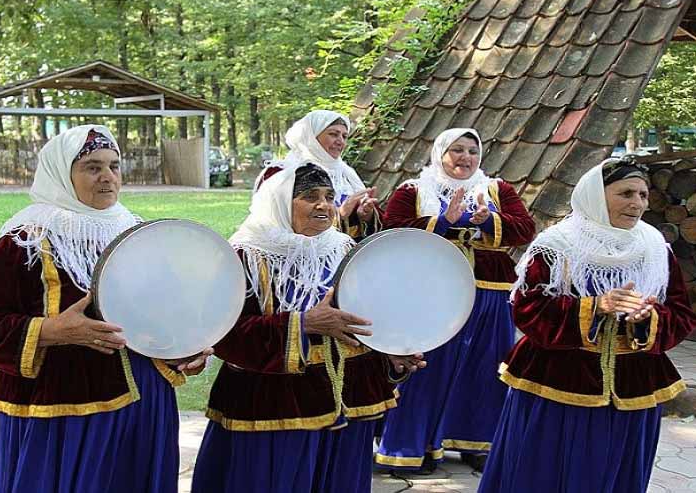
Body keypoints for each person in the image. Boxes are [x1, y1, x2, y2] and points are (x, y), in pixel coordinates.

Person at [0, 125, 209, 493]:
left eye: (114, 166)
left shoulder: (138, 233)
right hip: (63, 411)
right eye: (92, 167)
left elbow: (165, 308)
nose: (108, 177)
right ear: (62, 173)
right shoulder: (27, 240)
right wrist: (51, 331)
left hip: (145, 401)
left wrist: (187, 346)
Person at [191, 163, 425, 493]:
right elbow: (223, 334)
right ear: (280, 202)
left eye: (329, 197)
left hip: (349, 402)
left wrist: (390, 353)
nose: (324, 205)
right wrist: (302, 324)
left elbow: (364, 320)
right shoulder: (244, 256)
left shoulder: (346, 250)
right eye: (309, 197)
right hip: (275, 408)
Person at [478, 158, 696, 493]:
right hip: (558, 383)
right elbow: (528, 309)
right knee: (545, 472)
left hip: (633, 385)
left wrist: (647, 320)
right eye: (626, 193)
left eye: (642, 194)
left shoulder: (654, 248)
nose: (637, 203)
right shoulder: (557, 245)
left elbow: (681, 313)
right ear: (595, 195)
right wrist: (596, 307)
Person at [375, 128, 535, 473]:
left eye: (472, 151)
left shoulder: (496, 190)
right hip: (432, 292)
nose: (465, 158)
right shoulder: (413, 190)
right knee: (428, 367)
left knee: (484, 367)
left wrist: (489, 219)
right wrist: (442, 221)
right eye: (457, 150)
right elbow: (393, 229)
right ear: (440, 153)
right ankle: (412, 446)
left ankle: (475, 443)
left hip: (489, 291)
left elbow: (525, 228)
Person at [255, 110, 379, 240]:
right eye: (333, 134)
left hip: (344, 254)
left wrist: (364, 215)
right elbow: (272, 222)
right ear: (311, 137)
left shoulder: (347, 175)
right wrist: (339, 215)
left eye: (344, 136)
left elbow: (359, 229)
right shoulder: (282, 173)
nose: (340, 141)